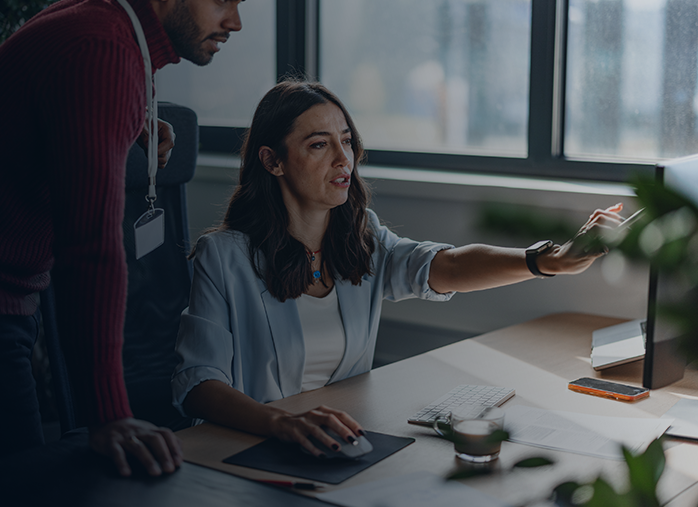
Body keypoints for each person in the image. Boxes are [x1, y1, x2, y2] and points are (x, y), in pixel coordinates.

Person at [171, 80, 625, 457]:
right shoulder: (223, 257)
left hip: (339, 445)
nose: (342, 159)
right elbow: (197, 385)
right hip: (248, 449)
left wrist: (547, 261)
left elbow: (444, 265)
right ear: (272, 161)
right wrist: (282, 423)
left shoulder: (360, 236)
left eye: (346, 141)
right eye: (318, 145)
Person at [0, 0, 262, 477]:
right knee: (20, 487)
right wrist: (109, 416)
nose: (235, 21)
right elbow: (90, 250)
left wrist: (124, 127)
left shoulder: (104, 22)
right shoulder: (104, 49)